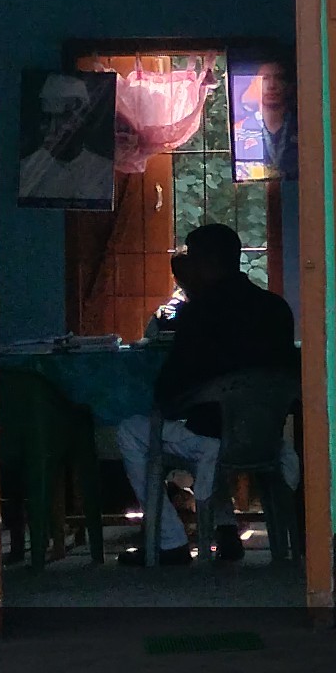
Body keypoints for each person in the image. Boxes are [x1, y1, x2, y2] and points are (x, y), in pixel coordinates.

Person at [117, 222, 297, 562]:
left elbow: (169, 392)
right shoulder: (276, 308)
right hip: (265, 437)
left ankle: (169, 543)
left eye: (191, 258)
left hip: (211, 438)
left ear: (207, 262)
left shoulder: (199, 313)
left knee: (134, 431)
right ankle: (225, 529)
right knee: (214, 423)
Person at [13, 70, 113, 208]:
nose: (55, 127)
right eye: (49, 118)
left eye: (64, 116)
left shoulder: (104, 171)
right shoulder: (27, 171)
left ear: (83, 118)